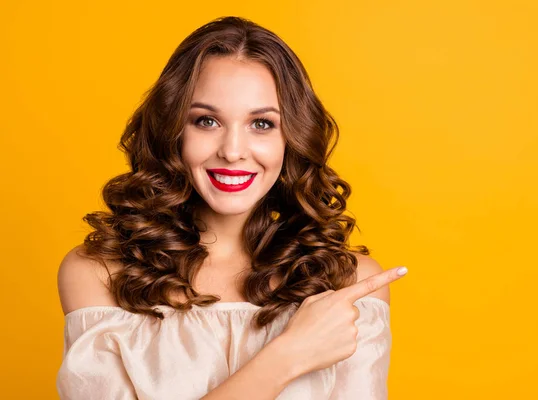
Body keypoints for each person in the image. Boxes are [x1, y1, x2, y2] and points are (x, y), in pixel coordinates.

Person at [56, 15, 409, 400]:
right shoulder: (99, 275)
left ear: (292, 137)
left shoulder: (347, 285)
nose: (233, 151)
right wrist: (288, 356)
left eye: (261, 124)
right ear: (172, 131)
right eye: (206, 121)